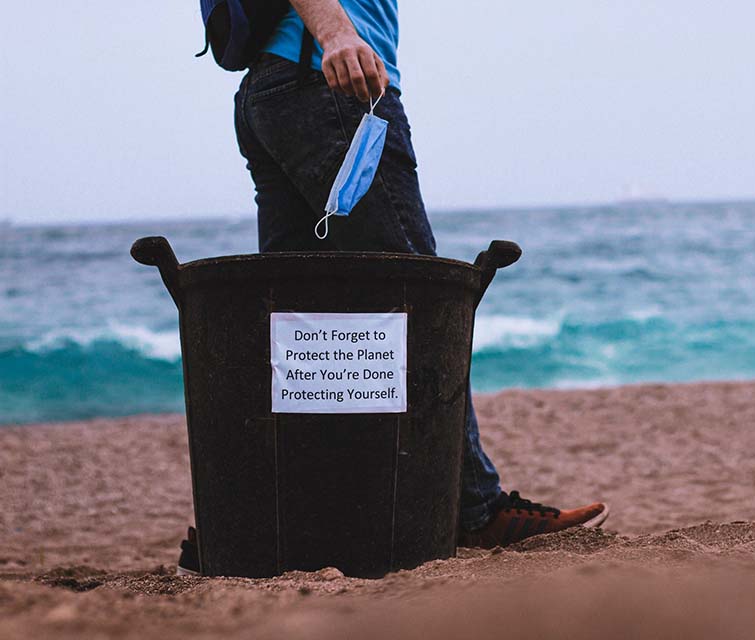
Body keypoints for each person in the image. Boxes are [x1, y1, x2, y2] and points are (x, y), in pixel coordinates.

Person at [178, 0, 607, 573]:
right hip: (332, 84)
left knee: (298, 324)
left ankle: (253, 526)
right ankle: (478, 511)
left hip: (275, 93)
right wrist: (336, 35)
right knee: (418, 301)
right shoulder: (332, 58)